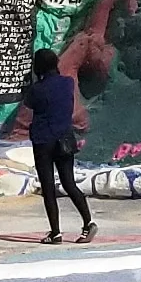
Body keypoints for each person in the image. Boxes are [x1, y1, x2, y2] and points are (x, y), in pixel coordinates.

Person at [21, 45, 96, 245]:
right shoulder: (67, 83)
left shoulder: (37, 89)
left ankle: (55, 232)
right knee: (69, 183)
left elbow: (29, 102)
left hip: (43, 140)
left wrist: (30, 83)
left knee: (48, 187)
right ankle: (88, 223)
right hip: (65, 139)